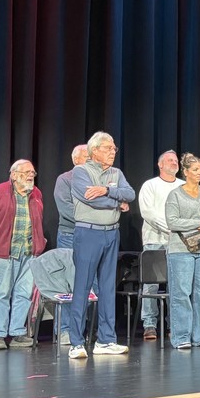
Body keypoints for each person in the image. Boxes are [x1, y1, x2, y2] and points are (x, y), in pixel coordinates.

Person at [66, 132, 135, 359]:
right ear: (94, 150)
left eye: (114, 148)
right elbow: (89, 199)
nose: (112, 151)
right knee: (83, 287)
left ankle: (106, 340)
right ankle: (76, 342)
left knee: (107, 287)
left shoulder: (116, 173)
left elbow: (130, 194)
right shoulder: (81, 171)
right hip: (88, 234)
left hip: (111, 234)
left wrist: (107, 190)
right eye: (108, 148)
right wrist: (117, 202)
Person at [0, 160, 47, 350]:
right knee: (3, 293)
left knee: (24, 294)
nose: (31, 175)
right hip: (5, 254)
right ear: (14, 175)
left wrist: (40, 243)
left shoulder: (36, 194)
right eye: (26, 172)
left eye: (33, 172)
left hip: (29, 254)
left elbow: (38, 222)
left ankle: (17, 333)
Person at [164, 153, 200, 349]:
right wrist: (199, 223)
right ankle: (181, 337)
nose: (199, 173)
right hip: (180, 249)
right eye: (195, 170)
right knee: (181, 293)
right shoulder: (175, 195)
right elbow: (172, 221)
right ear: (185, 172)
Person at [138, 150, 184, 340]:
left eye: (176, 161)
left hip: (178, 243)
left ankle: (174, 324)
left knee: (177, 285)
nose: (174, 163)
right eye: (169, 160)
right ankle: (149, 324)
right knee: (151, 285)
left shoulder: (183, 186)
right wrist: (171, 227)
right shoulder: (150, 185)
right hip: (154, 240)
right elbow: (148, 212)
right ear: (160, 164)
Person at [53, 145, 88, 250]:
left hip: (95, 236)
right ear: (76, 160)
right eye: (88, 157)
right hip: (70, 236)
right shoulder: (65, 179)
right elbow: (66, 208)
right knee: (70, 266)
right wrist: (93, 219)